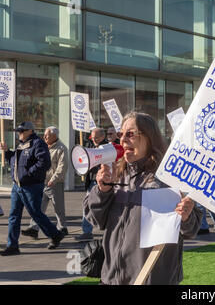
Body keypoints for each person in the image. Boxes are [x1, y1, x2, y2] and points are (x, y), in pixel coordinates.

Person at [84, 111, 202, 285]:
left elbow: (190, 230)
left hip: (151, 279)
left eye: (130, 134)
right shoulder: (116, 174)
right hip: (112, 278)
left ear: (150, 138)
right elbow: (96, 221)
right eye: (120, 134)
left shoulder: (169, 176)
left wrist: (186, 216)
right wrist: (102, 190)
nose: (123, 140)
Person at [0, 122, 65, 256]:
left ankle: (55, 234)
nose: (19, 133)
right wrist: (7, 152)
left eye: (21, 131)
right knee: (14, 216)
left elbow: (44, 163)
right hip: (17, 186)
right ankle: (12, 246)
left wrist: (29, 173)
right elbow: (15, 161)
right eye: (18, 131)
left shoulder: (37, 143)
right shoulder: (21, 144)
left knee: (36, 213)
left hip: (31, 186)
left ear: (30, 131)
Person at [22, 126, 69, 239]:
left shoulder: (61, 148)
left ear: (54, 136)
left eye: (47, 135)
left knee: (58, 208)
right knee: (37, 207)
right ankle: (34, 228)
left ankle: (62, 227)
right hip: (41, 182)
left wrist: (53, 179)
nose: (44, 137)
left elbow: (62, 167)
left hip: (55, 183)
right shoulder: (43, 147)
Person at [76, 127, 108, 241]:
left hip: (102, 181)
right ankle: (87, 231)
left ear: (103, 137)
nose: (93, 140)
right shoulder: (92, 146)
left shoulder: (106, 148)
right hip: (92, 180)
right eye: (92, 138)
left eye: (96, 138)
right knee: (87, 205)